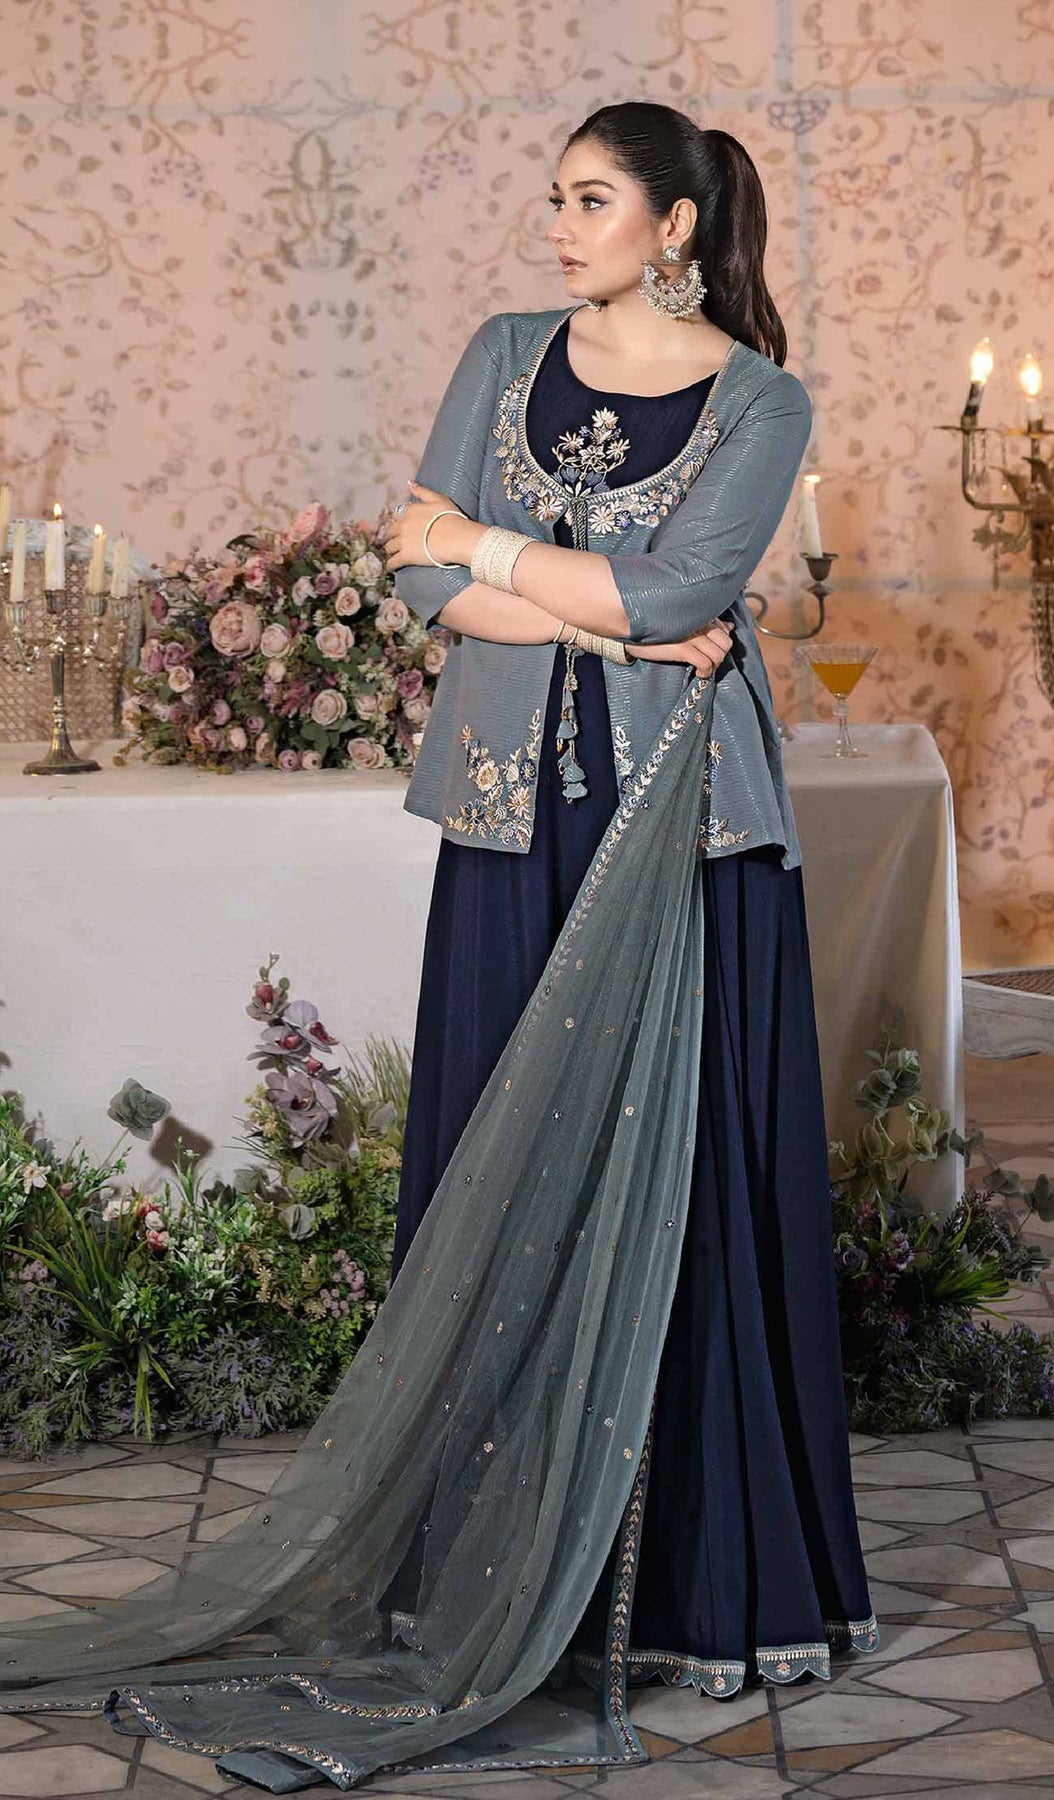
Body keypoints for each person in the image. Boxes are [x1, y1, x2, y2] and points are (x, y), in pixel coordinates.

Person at [0, 101, 877, 1792]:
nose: (558, 225)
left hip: (686, 835)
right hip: (506, 819)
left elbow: (672, 592)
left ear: (677, 226)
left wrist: (503, 555)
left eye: (592, 200)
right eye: (555, 198)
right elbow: (422, 585)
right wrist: (595, 613)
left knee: (689, 1181)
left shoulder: (764, 402)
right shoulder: (500, 352)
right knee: (494, 1161)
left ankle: (705, 1588)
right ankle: (475, 1580)